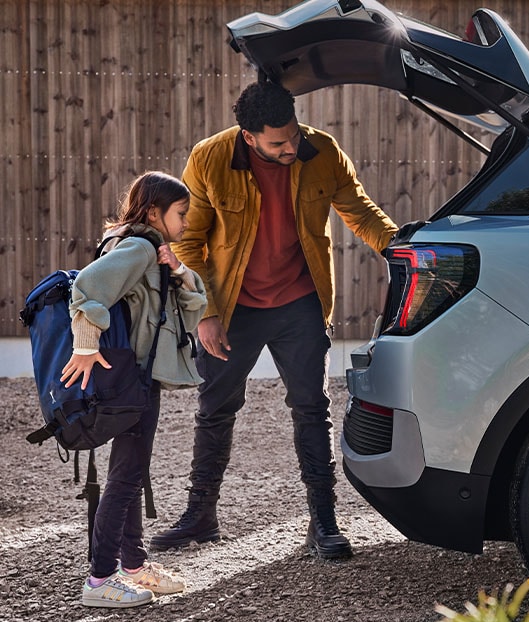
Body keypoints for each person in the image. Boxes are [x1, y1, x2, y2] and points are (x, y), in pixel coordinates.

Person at [150, 81, 398, 560]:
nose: (290, 149)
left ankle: (323, 521)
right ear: (249, 137)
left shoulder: (321, 150)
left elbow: (360, 211)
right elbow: (188, 242)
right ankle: (201, 516)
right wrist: (207, 312)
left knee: (312, 408)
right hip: (231, 304)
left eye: (292, 137)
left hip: (300, 303)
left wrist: (401, 249)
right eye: (277, 144)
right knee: (215, 408)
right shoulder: (210, 158)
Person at [64, 171, 208, 608]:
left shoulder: (148, 248)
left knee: (129, 472)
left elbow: (190, 306)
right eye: (180, 214)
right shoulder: (138, 247)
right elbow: (87, 288)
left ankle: (133, 565)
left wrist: (179, 270)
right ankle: (100, 580)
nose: (185, 223)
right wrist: (86, 346)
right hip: (132, 379)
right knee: (126, 477)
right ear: (153, 212)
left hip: (137, 377)